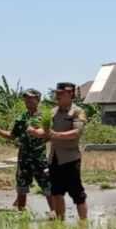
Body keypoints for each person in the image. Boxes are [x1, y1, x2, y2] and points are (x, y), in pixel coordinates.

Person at [29, 82, 88, 221]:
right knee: (56, 192)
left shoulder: (78, 112)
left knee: (77, 193)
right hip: (54, 158)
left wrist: (56, 135)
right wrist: (36, 132)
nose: (58, 96)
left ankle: (83, 225)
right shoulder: (52, 112)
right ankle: (60, 223)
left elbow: (77, 132)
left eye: (61, 93)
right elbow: (46, 131)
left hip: (70, 158)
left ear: (71, 94)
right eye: (57, 93)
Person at [0, 89, 53, 213]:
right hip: (23, 158)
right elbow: (11, 136)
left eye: (31, 98)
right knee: (21, 186)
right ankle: (21, 214)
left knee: (47, 185)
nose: (28, 100)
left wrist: (40, 137)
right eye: (26, 98)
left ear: (38, 99)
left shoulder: (45, 117)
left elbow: (50, 135)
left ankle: (54, 212)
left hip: (39, 158)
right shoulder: (21, 118)